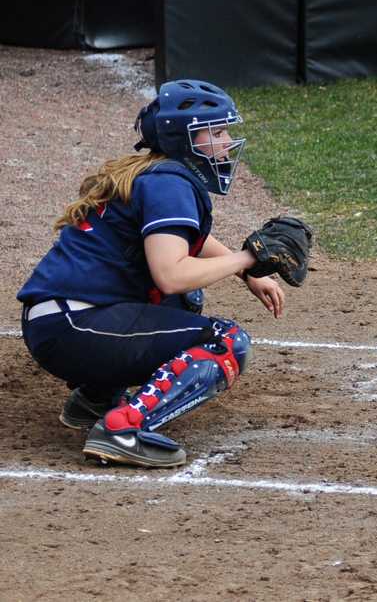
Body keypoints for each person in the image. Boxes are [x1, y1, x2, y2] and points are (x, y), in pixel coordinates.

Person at [16, 80, 300, 467]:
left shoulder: (156, 172)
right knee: (225, 340)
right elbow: (172, 272)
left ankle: (95, 399)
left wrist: (244, 271)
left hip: (61, 322)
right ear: (185, 138)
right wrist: (247, 259)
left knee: (178, 303)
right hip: (78, 325)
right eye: (216, 132)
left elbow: (179, 237)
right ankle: (123, 429)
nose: (227, 141)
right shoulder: (170, 183)